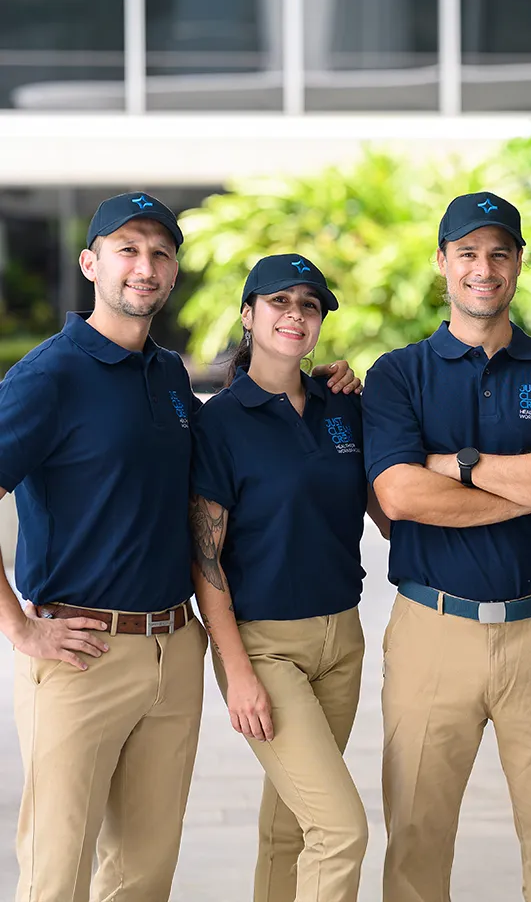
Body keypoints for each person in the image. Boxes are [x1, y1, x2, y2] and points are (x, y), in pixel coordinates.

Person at [361, 191, 531, 902]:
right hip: (432, 630)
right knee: (416, 838)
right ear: (442, 263)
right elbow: (402, 497)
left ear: (519, 264)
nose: (484, 267)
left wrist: (457, 465)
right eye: (467, 252)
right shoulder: (398, 374)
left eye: (500, 252)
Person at [0, 192, 207, 902]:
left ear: (174, 270)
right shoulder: (48, 376)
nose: (144, 266)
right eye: (127, 249)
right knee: (57, 875)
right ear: (91, 263)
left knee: (144, 876)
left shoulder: (171, 374)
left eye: (160, 252)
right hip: (81, 655)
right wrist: (20, 628)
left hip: (175, 648)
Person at [189, 253, 388, 902]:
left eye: (310, 305)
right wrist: (238, 670)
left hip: (342, 641)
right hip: (266, 646)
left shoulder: (343, 406)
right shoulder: (220, 421)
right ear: (249, 316)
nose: (295, 315)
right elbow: (206, 558)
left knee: (290, 827)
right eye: (279, 302)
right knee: (341, 830)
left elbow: (388, 514)